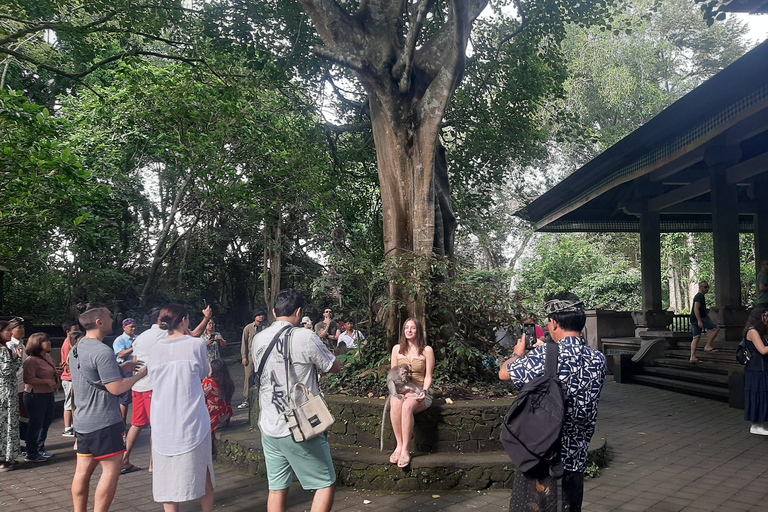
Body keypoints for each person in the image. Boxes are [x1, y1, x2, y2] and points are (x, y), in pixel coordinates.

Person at [499, 293, 606, 512]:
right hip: (576, 458)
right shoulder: (598, 359)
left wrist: (518, 354)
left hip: (543, 457)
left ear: (554, 323)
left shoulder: (543, 356)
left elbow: (504, 373)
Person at [252, 289, 341, 512]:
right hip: (300, 426)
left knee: (276, 489)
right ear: (299, 312)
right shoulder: (305, 336)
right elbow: (333, 366)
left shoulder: (259, 338)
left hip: (269, 426)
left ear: (274, 312)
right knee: (324, 484)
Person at [70, 304, 147, 512]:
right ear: (99, 322)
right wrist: (140, 375)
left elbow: (94, 374)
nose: (112, 320)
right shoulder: (102, 350)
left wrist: (121, 368)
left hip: (83, 421)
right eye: (109, 316)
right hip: (104, 422)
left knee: (82, 472)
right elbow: (116, 388)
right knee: (112, 470)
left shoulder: (77, 348)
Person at [122, 306, 214, 473]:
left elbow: (135, 359)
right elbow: (193, 335)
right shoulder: (165, 334)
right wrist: (206, 318)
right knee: (156, 425)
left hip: (137, 386)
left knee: (136, 423)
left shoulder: (141, 337)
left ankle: (124, 459)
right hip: (152, 386)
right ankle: (153, 463)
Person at [147, 304, 214, 511]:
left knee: (166, 478)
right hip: (192, 418)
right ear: (184, 320)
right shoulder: (196, 344)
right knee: (203, 469)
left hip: (162, 420)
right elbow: (204, 372)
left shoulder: (155, 349)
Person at [388, 317, 434, 468]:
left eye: (413, 327)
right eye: (406, 327)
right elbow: (393, 376)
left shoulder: (427, 350)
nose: (409, 330)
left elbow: (428, 376)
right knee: (396, 402)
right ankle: (399, 445)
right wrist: (400, 391)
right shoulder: (397, 349)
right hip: (401, 389)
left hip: (420, 390)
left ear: (418, 330)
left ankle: (406, 450)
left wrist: (424, 391)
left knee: (407, 406)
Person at [22, 333, 60, 462]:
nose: (49, 343)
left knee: (46, 422)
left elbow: (48, 372)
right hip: (35, 395)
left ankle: (40, 447)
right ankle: (31, 452)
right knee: (35, 424)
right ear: (37, 344)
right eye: (45, 341)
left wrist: (55, 374)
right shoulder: (31, 360)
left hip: (47, 394)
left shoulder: (47, 357)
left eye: (48, 340)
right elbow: (28, 379)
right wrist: (47, 381)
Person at [0, 320, 25, 472]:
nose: (10, 333)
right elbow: (6, 371)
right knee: (7, 425)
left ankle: (8, 456)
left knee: (7, 424)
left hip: (6, 391)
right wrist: (18, 359)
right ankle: (4, 459)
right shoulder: (3, 350)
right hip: (6, 392)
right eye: (7, 330)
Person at [743, 308, 768, 435]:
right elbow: (762, 350)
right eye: (766, 316)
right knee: (757, 393)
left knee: (763, 393)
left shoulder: (760, 331)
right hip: (756, 367)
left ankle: (760, 423)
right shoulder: (752, 331)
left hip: (762, 367)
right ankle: (755, 424)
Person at [238, 309, 268, 409]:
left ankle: (261, 397)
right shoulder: (248, 328)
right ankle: (246, 398)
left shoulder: (266, 328)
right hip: (250, 357)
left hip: (262, 357)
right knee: (248, 377)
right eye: (259, 315)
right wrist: (244, 357)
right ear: (255, 317)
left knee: (262, 376)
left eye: (262, 315)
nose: (261, 317)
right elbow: (244, 343)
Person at [5, 317, 27, 445]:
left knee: (22, 415)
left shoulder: (21, 344)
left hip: (22, 385)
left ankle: (20, 443)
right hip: (14, 386)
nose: (22, 330)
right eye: (19, 327)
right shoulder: (9, 346)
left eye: (22, 327)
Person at [113, 318, 137, 425]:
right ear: (124, 328)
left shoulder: (138, 338)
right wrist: (134, 347)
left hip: (137, 369)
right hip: (125, 371)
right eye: (131, 327)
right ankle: (122, 422)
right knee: (125, 398)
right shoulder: (120, 340)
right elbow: (121, 354)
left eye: (135, 326)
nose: (134, 329)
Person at [689, 281, 721, 362]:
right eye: (705, 287)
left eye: (708, 287)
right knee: (716, 329)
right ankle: (708, 345)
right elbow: (696, 309)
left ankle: (692, 357)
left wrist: (707, 319)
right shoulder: (699, 296)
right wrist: (699, 321)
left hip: (696, 319)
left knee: (696, 337)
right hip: (698, 319)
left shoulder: (701, 296)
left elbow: (702, 311)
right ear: (700, 287)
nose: (707, 289)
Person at [60, 321, 81, 437]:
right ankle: (67, 427)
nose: (78, 332)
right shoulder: (68, 343)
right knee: (69, 403)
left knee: (73, 402)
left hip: (71, 378)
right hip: (69, 378)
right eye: (75, 330)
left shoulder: (70, 343)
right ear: (68, 332)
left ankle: (72, 425)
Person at [203, 359, 234, 432]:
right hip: (226, 414)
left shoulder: (208, 383)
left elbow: (201, 397)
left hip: (214, 415)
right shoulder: (228, 382)